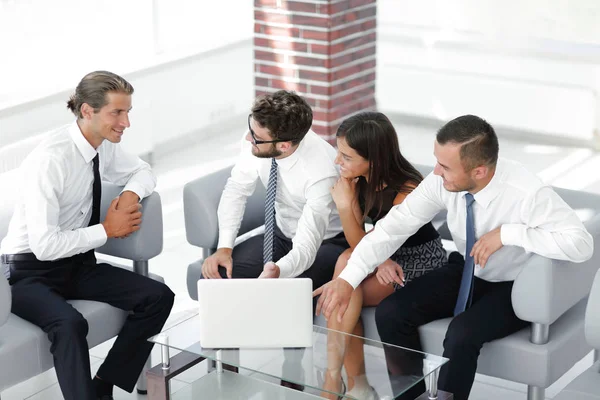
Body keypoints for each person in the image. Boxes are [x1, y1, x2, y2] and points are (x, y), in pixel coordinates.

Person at [314, 115, 593, 400]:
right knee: (392, 313)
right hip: (467, 267)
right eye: (436, 161)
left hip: (512, 283)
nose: (435, 172)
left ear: (480, 171)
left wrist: (509, 234)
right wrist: (347, 281)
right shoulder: (441, 181)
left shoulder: (527, 193)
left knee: (461, 334)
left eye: (445, 167)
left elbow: (581, 243)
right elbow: (392, 229)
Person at [0, 71, 175, 400]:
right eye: (117, 113)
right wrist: (107, 230)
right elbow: (45, 244)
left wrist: (129, 197)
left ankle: (104, 384)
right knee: (70, 324)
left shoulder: (102, 146)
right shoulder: (51, 160)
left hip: (77, 263)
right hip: (26, 272)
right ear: (86, 111)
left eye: (127, 112)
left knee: (159, 296)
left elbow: (143, 170)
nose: (126, 122)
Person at [320, 112, 446, 400]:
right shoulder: (359, 177)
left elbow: (373, 243)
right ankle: (350, 382)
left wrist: (345, 205)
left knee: (347, 289)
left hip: (415, 260)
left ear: (373, 160)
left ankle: (346, 383)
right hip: (378, 253)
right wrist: (350, 201)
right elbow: (365, 245)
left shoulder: (407, 190)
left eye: (346, 156)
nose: (338, 162)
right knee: (344, 266)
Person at [201, 90, 347, 290]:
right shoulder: (257, 138)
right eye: (251, 129)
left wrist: (279, 271)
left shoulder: (320, 174)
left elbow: (307, 245)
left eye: (256, 137)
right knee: (221, 276)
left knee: (289, 291)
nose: (248, 139)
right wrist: (224, 248)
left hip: (325, 242)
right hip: (280, 233)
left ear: (284, 146)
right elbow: (236, 190)